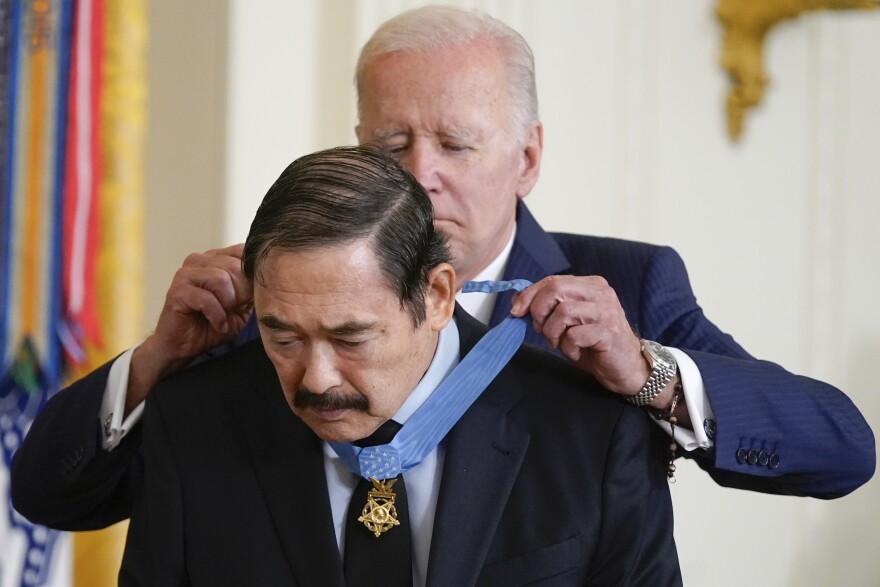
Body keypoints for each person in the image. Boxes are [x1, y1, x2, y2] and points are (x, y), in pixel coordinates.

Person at [11, 5, 875, 532]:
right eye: (391, 143)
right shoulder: (282, 292)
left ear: (529, 157)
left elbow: (841, 450)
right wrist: (158, 358)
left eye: (457, 143)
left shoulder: (627, 285)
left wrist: (648, 374)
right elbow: (48, 493)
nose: (420, 174)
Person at [117, 145, 682, 586]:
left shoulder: (593, 433)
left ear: (437, 297)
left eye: (351, 337)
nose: (316, 379)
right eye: (281, 335)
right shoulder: (193, 423)